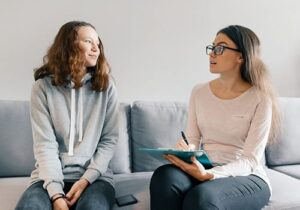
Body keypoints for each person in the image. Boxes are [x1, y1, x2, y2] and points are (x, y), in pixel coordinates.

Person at [150, 25, 281, 210]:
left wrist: (210, 175)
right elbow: (193, 139)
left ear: (241, 56)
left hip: (248, 176)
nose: (212, 53)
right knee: (164, 177)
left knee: (202, 198)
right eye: (212, 47)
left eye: (220, 48)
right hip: (207, 166)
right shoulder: (199, 92)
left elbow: (250, 160)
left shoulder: (261, 98)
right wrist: (187, 150)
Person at [15, 21, 119, 210]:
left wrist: (86, 179)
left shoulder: (107, 87)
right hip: (48, 178)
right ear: (69, 45)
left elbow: (109, 141)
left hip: (95, 179)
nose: (96, 49)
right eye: (89, 42)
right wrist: (56, 194)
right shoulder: (42, 88)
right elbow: (44, 145)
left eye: (98, 43)